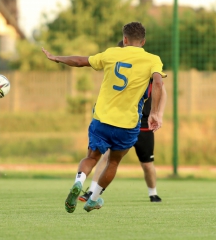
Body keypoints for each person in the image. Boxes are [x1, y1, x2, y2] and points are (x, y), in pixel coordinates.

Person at [42, 21, 166, 213]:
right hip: (127, 124)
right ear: (143, 41)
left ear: (124, 39)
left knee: (91, 157)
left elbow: (80, 61)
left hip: (102, 120)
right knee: (113, 162)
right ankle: (94, 199)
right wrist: (156, 113)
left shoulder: (111, 53)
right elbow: (158, 84)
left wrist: (57, 57)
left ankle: (79, 181)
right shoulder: (152, 60)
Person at [78, 40, 167, 203]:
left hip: (143, 125)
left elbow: (161, 89)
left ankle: (153, 193)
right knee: (107, 159)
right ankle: (91, 192)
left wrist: (158, 114)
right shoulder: (121, 70)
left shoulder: (147, 69)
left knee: (146, 164)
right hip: (124, 123)